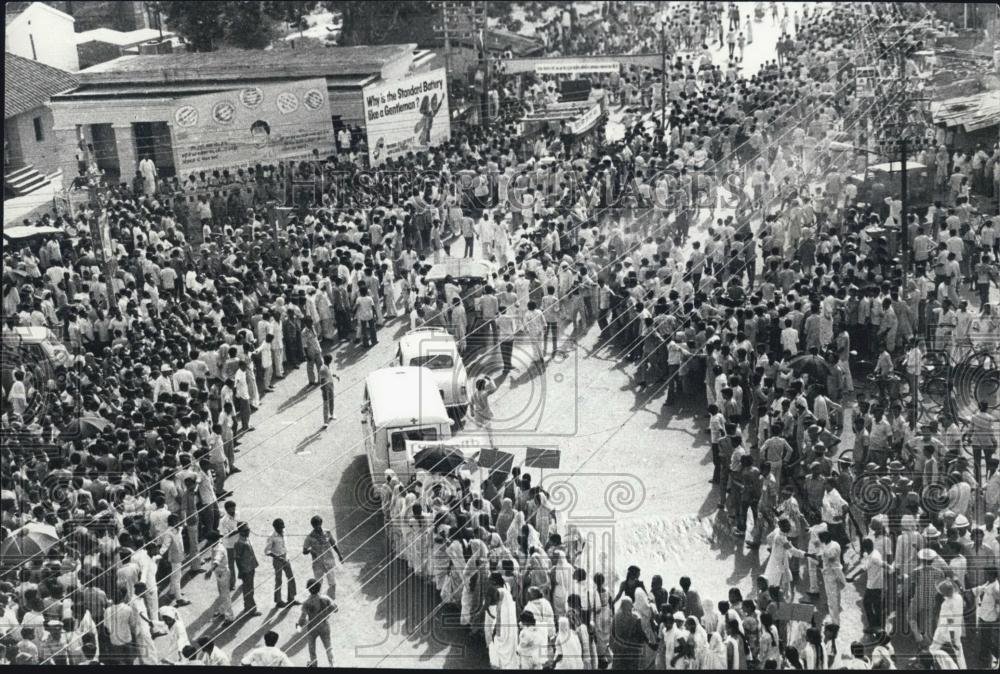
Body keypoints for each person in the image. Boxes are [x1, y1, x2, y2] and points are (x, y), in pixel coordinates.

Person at [303, 515, 344, 607]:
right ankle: (319, 604)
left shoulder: (327, 533)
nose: (317, 527)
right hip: (318, 563)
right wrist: (310, 550)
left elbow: (333, 544)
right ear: (313, 526)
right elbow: (304, 550)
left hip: (329, 561)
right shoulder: (310, 537)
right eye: (315, 526)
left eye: (319, 525)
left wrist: (340, 555)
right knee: (318, 584)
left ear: (321, 524)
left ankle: (331, 602)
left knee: (332, 582)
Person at [297, 578, 336, 667]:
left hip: (312, 627)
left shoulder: (306, 602)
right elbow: (335, 609)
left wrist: (299, 626)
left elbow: (302, 618)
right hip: (324, 625)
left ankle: (314, 663)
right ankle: (333, 664)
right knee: (328, 647)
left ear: (308, 589)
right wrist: (327, 612)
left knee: (311, 648)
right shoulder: (326, 598)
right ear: (319, 588)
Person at [265, 518, 299, 608]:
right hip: (277, 560)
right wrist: (278, 557)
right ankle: (278, 600)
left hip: (285, 557)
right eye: (279, 528)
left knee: (291, 577)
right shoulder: (271, 537)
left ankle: (291, 598)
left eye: (282, 527)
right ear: (275, 527)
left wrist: (285, 557)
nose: (281, 529)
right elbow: (267, 551)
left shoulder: (284, 532)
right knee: (279, 580)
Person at [234, 522, 261, 617]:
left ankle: (248, 606)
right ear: (240, 532)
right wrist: (241, 571)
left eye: (248, 530)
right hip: (246, 570)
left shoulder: (246, 539)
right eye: (246, 530)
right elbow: (237, 559)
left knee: (249, 589)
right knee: (248, 589)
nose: (248, 532)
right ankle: (251, 609)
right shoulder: (239, 543)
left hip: (251, 567)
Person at [319, 353, 340, 429]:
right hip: (325, 387)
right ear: (329, 361)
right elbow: (322, 381)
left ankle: (331, 414)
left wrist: (335, 376)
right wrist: (324, 391)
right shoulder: (322, 369)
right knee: (326, 404)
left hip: (330, 385)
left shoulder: (328, 366)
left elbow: (330, 373)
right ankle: (325, 422)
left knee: (331, 401)